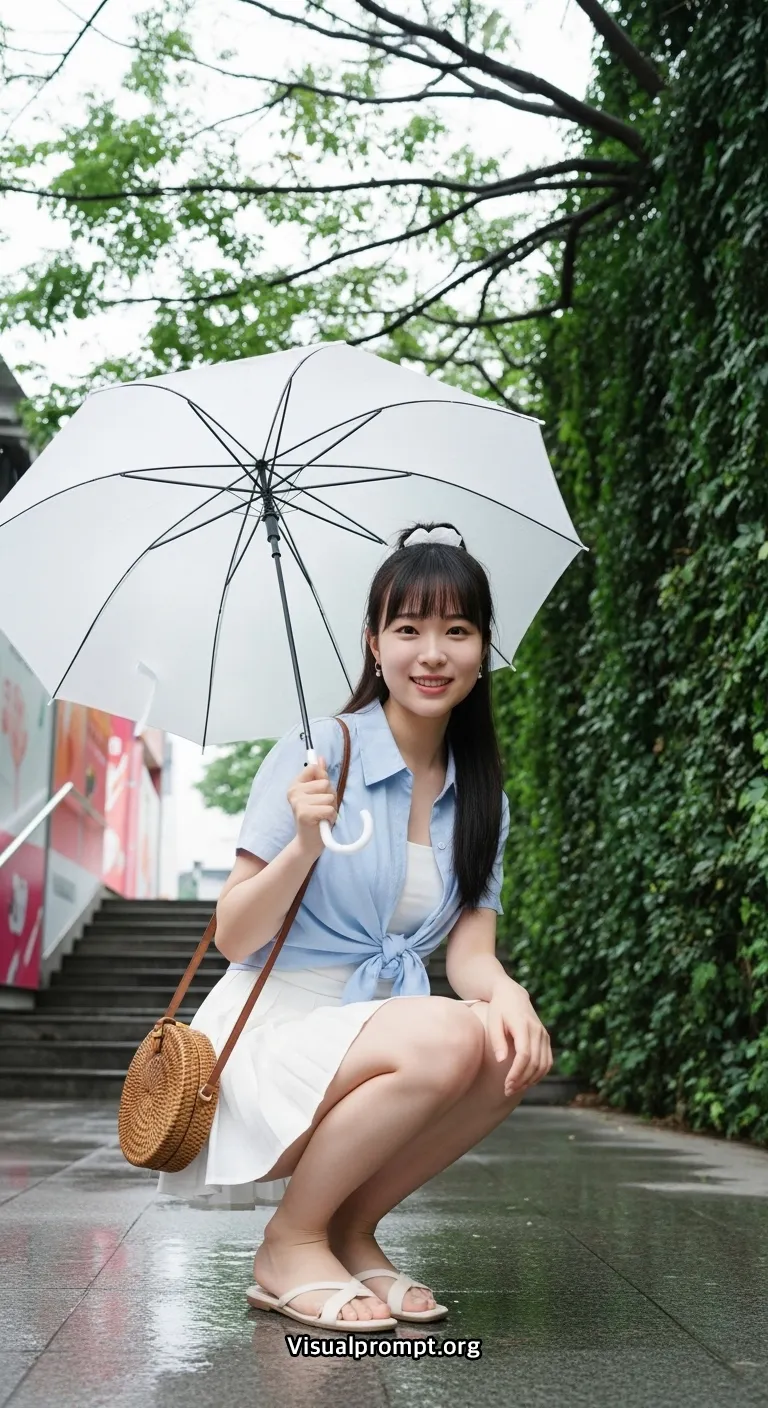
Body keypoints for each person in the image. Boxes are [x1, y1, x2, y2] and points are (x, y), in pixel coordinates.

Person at [157, 520, 553, 1332]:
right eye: (408, 629)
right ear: (373, 644)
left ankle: (349, 1232)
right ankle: (289, 1242)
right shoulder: (317, 751)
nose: (432, 652)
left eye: (457, 630)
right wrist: (303, 844)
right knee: (448, 1036)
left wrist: (509, 996)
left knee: (502, 1044)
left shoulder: (483, 798)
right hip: (272, 1032)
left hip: (372, 1028)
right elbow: (233, 936)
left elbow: (471, 952)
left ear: (482, 651)